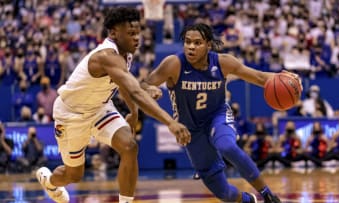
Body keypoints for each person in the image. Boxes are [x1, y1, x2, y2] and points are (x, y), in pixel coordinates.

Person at [36, 7, 191, 203]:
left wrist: (133, 113)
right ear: (113, 33)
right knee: (73, 175)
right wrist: (171, 122)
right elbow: (134, 91)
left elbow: (124, 84)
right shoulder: (105, 56)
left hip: (100, 108)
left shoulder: (125, 53)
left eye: (138, 33)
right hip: (71, 115)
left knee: (129, 146)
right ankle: (49, 181)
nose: (137, 38)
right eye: (131, 33)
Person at [141, 23, 302, 203]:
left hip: (217, 116)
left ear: (208, 45)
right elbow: (145, 84)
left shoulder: (223, 62)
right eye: (187, 42)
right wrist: (150, 89)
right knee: (224, 194)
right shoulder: (174, 64)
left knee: (226, 146)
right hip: (191, 130)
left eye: (197, 43)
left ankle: (268, 195)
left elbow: (258, 77)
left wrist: (286, 79)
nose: (191, 47)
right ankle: (249, 200)